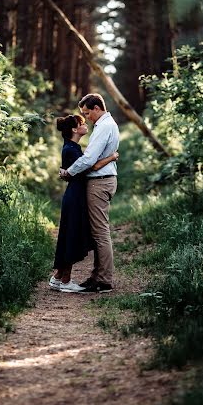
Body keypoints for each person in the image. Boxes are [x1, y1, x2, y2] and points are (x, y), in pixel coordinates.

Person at [50, 114, 119, 293]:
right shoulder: (71, 149)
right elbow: (91, 166)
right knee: (72, 236)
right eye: (81, 122)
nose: (85, 123)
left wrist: (67, 172)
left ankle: (58, 278)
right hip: (75, 197)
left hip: (76, 194)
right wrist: (111, 157)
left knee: (69, 235)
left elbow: (73, 171)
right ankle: (65, 281)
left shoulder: (73, 146)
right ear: (74, 129)